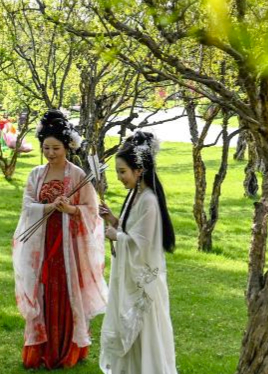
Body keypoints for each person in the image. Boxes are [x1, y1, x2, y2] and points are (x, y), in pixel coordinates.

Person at [13, 109, 107, 369]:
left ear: (67, 147)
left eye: (56, 148)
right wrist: (48, 207)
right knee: (41, 289)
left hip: (68, 247)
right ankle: (42, 348)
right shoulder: (35, 174)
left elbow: (91, 211)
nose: (51, 153)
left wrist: (71, 209)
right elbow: (27, 205)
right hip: (41, 244)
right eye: (46, 148)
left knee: (66, 290)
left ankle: (66, 349)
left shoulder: (78, 175)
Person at [98, 131, 177, 374]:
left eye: (122, 171)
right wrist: (113, 219)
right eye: (117, 172)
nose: (119, 177)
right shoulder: (136, 194)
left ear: (139, 170)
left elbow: (142, 244)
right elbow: (133, 230)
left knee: (144, 332)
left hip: (144, 285)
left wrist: (116, 236)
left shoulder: (148, 200)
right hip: (132, 278)